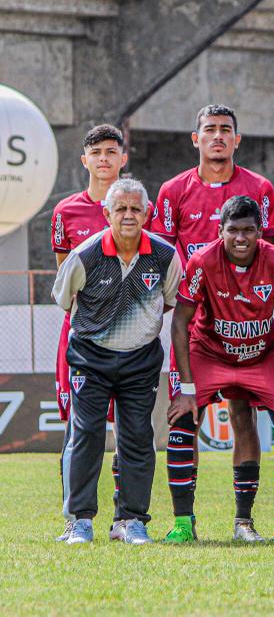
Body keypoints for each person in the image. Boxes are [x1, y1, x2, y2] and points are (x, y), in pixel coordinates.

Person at [152, 104, 274, 542]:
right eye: (210, 130)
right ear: (196, 138)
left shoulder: (260, 188)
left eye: (226, 130)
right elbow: (162, 254)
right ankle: (183, 523)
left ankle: (244, 522)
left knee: (245, 416)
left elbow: (271, 253)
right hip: (198, 326)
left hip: (248, 325)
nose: (218, 136)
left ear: (237, 140)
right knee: (184, 416)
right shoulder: (172, 191)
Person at [163, 195, 274, 544]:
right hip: (210, 353)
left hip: (261, 355)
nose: (241, 238)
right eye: (233, 230)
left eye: (248, 230)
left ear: (260, 232)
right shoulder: (201, 261)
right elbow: (180, 322)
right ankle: (183, 523)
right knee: (182, 422)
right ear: (220, 231)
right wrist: (187, 389)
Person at [52, 178, 181, 545]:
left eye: (135, 209)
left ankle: (131, 520)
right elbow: (65, 300)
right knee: (87, 434)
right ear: (106, 213)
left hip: (140, 360)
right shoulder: (85, 255)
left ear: (147, 213)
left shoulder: (165, 255)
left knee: (139, 437)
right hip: (90, 358)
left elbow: (168, 300)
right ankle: (79, 521)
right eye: (120, 209)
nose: (128, 215)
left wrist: (135, 331)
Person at [51, 125, 134, 542]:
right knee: (79, 433)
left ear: (123, 159)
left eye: (111, 151)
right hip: (82, 340)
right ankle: (76, 520)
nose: (104, 158)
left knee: (131, 430)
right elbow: (67, 282)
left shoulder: (136, 204)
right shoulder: (66, 211)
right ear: (84, 161)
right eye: (96, 152)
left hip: (131, 339)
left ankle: (125, 518)